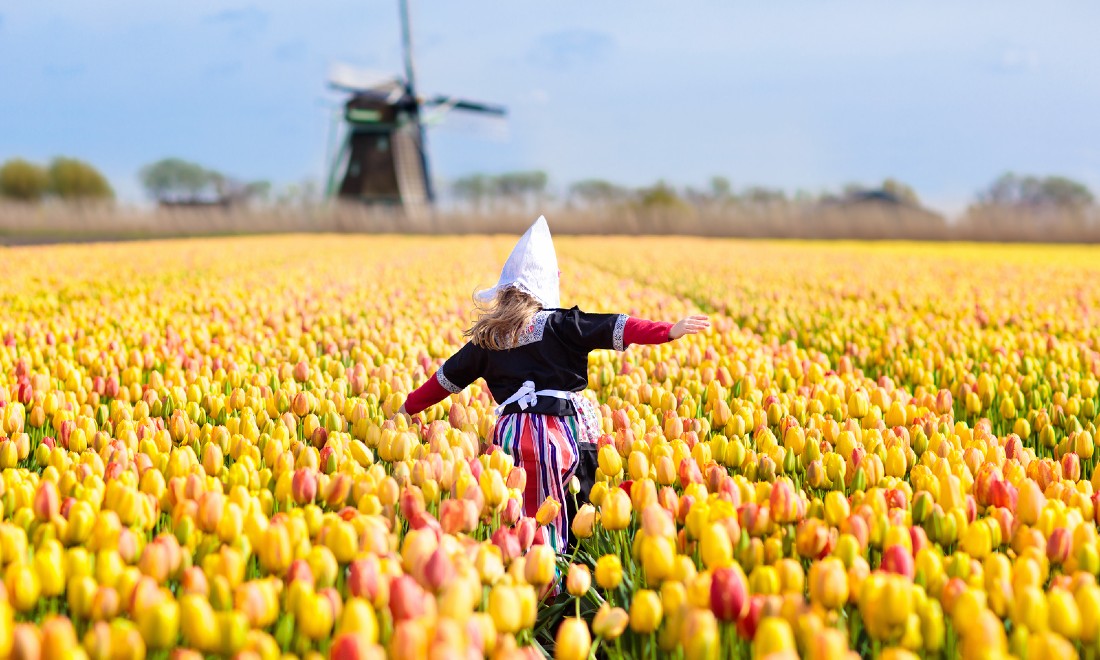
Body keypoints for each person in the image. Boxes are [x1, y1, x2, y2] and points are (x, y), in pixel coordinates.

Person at [398, 217, 709, 554]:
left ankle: (521, 564)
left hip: (510, 436)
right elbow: (617, 326)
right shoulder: (562, 325)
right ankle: (566, 567)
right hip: (561, 431)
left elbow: (444, 380)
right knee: (574, 499)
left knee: (515, 504)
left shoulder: (488, 340)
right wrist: (667, 331)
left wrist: (407, 409)